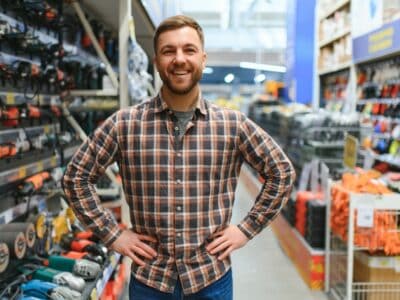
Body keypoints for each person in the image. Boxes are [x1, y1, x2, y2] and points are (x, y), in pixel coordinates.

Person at [62, 15, 296, 300]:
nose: (179, 59)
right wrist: (113, 235)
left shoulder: (232, 125)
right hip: (150, 281)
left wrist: (245, 230)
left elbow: (281, 172)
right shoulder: (125, 124)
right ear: (157, 61)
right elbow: (75, 178)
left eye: (189, 49)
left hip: (211, 279)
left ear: (203, 58)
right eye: (168, 51)